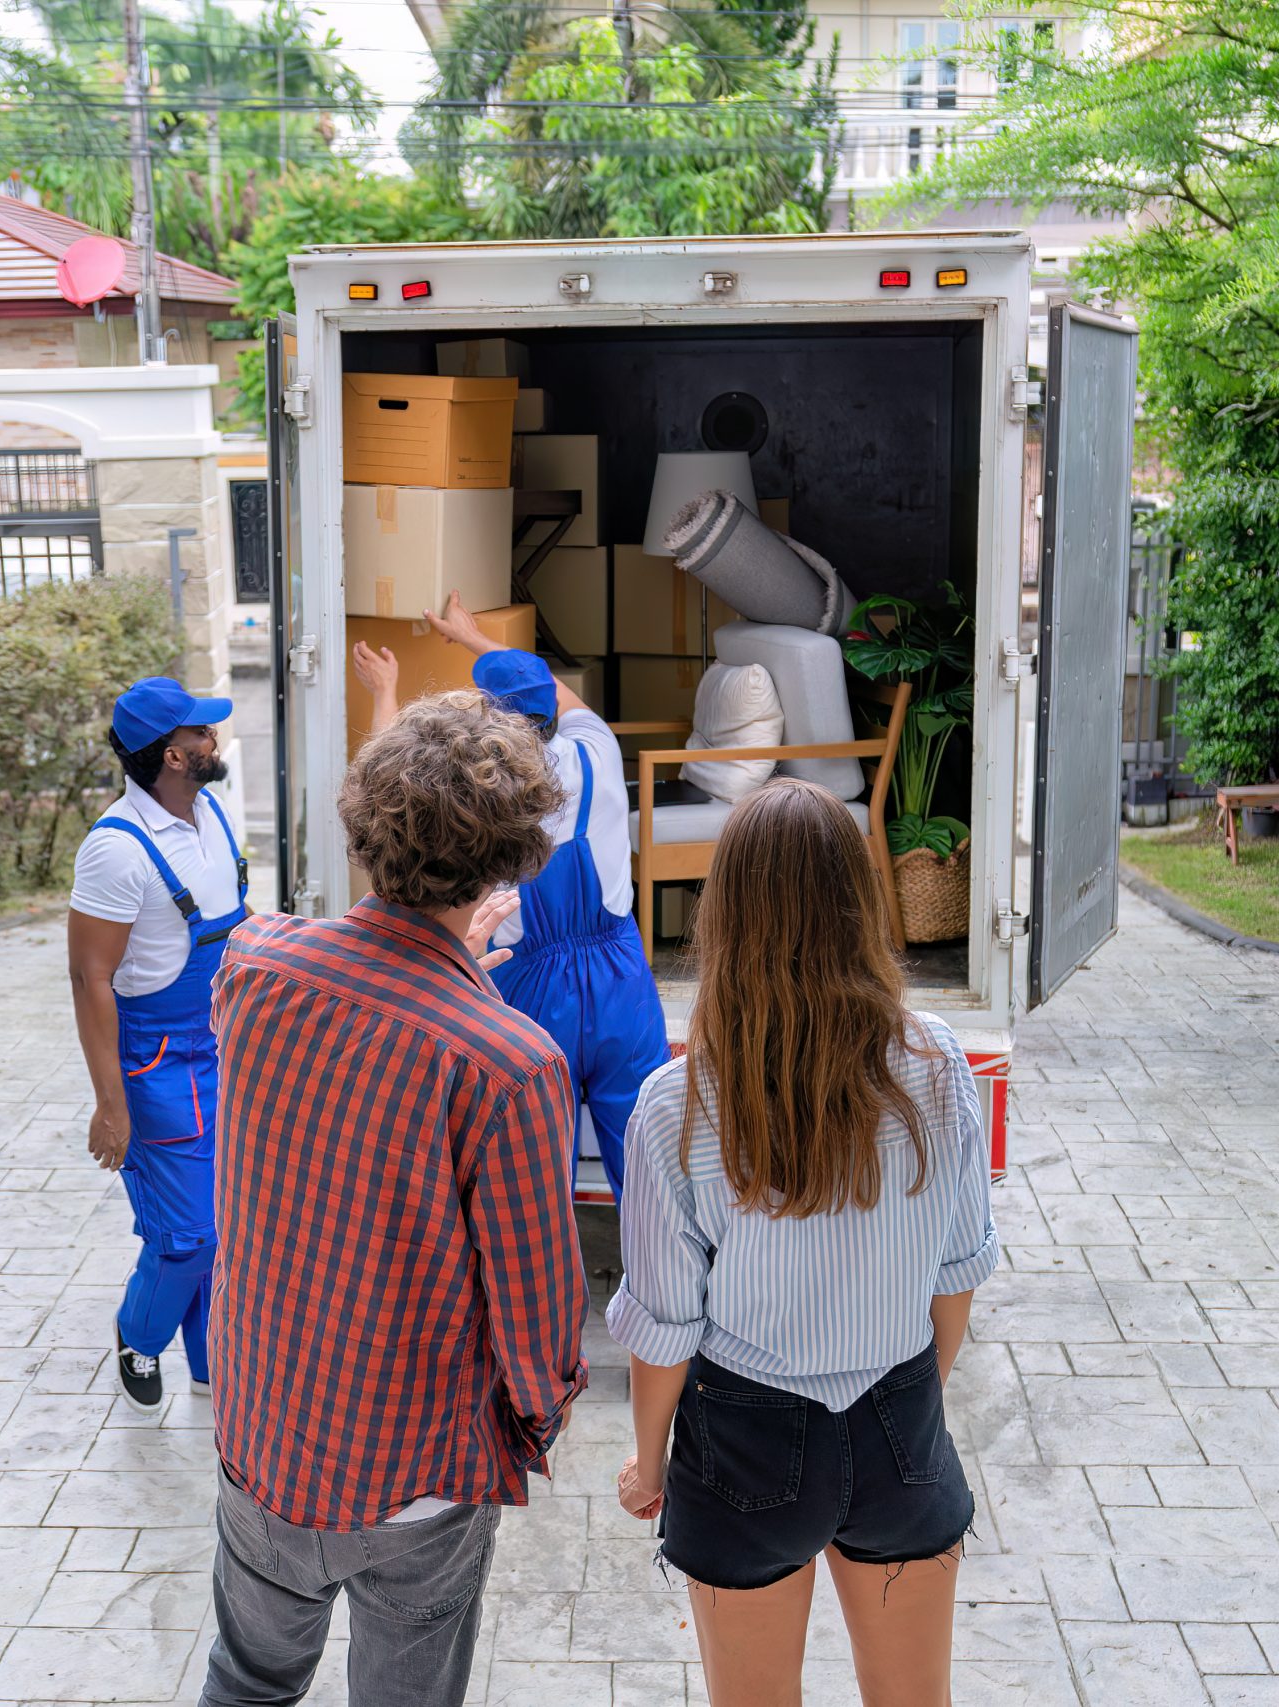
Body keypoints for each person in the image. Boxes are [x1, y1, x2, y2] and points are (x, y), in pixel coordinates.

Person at [202, 691, 589, 1707]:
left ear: (367, 827)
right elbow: (538, 1315)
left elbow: (367, 1011)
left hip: (262, 1436)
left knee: (245, 1681)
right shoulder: (506, 1060)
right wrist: (531, 1429)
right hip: (415, 1469)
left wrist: (458, 964)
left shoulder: (252, 967)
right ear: (512, 860)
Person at [607, 780, 996, 1707]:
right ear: (861, 904)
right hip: (900, 1413)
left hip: (744, 1442)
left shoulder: (677, 1103)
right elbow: (958, 1275)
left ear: (726, 918)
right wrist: (912, 1405)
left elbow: (663, 1329)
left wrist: (649, 1463)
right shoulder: (939, 1064)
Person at [350, 593, 668, 1200]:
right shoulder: (597, 748)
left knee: (535, 1176)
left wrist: (385, 688)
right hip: (620, 980)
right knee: (648, 1160)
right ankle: (660, 1284)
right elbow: (548, 686)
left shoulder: (485, 790)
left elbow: (398, 787)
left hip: (527, 990)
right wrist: (475, 639)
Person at [65, 676, 244, 1416]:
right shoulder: (115, 851)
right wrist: (112, 1104)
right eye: (201, 733)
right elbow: (88, 978)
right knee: (188, 1234)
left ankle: (211, 1361)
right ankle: (139, 1331)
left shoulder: (214, 814)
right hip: (159, 1062)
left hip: (226, 1049)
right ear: (174, 754)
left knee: (227, 1221)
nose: (214, 740)